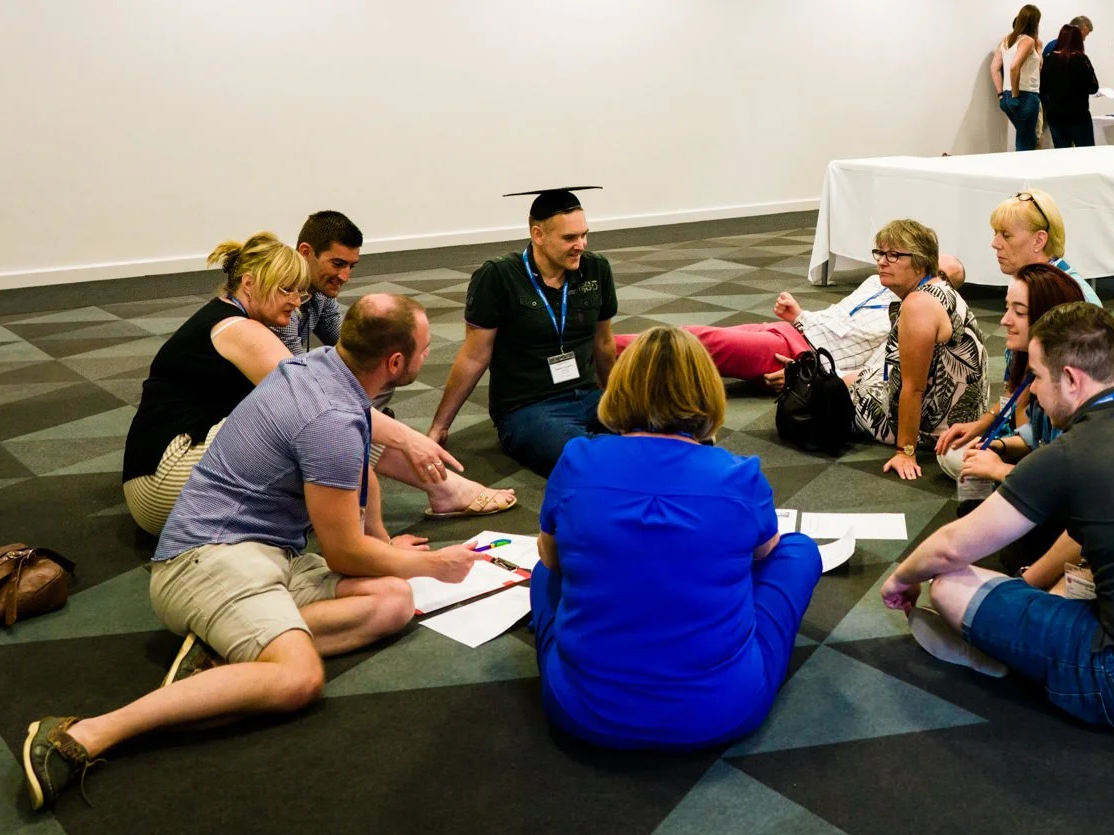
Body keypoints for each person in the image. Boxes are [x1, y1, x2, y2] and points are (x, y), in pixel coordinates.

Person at [21, 296, 489, 809]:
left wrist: (385, 547)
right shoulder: (331, 416)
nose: (428, 355)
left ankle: (228, 650)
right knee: (299, 678)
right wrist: (433, 564)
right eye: (424, 348)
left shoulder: (319, 370)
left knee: (394, 600)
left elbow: (358, 484)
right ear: (396, 363)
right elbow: (343, 555)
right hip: (206, 559)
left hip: (265, 555)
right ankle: (85, 732)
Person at [879, 303, 1114, 732]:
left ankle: (1012, 658)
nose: (1037, 394)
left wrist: (901, 580)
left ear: (1071, 379)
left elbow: (953, 545)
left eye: (1039, 378)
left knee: (948, 583)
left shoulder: (1073, 452)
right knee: (1053, 584)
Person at [530, 327, 824, 750]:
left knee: (545, 572)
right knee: (798, 551)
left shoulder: (577, 459)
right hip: (722, 712)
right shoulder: (738, 474)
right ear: (707, 392)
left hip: (579, 712)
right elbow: (765, 553)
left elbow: (552, 560)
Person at [279, 209, 514, 520]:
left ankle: (435, 483)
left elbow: (353, 348)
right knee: (349, 411)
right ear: (306, 252)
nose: (345, 276)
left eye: (351, 266)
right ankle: (444, 487)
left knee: (380, 373)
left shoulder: (317, 294)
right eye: (337, 264)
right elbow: (301, 388)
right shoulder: (279, 303)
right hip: (237, 426)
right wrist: (396, 432)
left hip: (288, 406)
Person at [120, 233, 309, 536]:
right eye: (286, 289)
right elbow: (317, 404)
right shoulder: (238, 328)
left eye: (300, 292)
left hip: (155, 484)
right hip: (166, 483)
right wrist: (404, 442)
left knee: (316, 424)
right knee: (310, 423)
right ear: (249, 284)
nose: (296, 301)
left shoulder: (223, 316)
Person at [934, 264, 1114, 492]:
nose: (1004, 320)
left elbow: (1074, 483)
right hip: (1072, 465)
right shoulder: (1034, 364)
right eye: (1006, 308)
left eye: (1018, 312)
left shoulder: (1088, 392)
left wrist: (1001, 470)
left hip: (1112, 485)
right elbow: (1039, 436)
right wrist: (1000, 446)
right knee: (957, 456)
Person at [429, 189, 618, 478]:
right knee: (584, 460)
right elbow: (473, 357)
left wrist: (621, 399)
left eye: (584, 235)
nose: (581, 245)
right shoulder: (498, 276)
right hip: (529, 408)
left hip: (589, 395)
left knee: (674, 429)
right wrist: (439, 427)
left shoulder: (596, 269)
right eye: (570, 238)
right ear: (538, 234)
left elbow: (603, 343)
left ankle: (628, 454)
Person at [609, 256, 967, 390]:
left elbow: (878, 370)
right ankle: (601, 358)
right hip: (790, 331)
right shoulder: (878, 281)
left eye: (939, 275)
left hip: (800, 353)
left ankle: (597, 353)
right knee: (695, 343)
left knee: (693, 341)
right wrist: (800, 315)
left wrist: (808, 376)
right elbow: (838, 314)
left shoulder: (916, 316)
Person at [849, 219, 987, 480]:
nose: (881, 262)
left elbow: (913, 388)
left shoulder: (919, 303)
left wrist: (905, 451)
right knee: (848, 376)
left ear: (921, 261)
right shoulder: (940, 288)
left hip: (932, 429)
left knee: (823, 392)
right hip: (958, 417)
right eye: (880, 253)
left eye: (893, 255)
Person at [988, 188, 1101, 307]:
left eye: (1006, 236)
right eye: (996, 233)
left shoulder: (1072, 299)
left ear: (1039, 241)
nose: (995, 243)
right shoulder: (1025, 279)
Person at [990, 4, 1043, 152]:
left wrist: (1001, 95)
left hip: (1006, 96)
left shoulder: (1006, 40)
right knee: (1025, 143)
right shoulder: (1027, 41)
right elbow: (1014, 67)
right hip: (1025, 95)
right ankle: (1023, 172)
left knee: (1028, 138)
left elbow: (994, 68)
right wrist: (1016, 95)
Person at [1038, 23, 1099, 149]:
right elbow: (1093, 87)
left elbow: (1042, 89)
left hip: (1055, 115)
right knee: (1086, 152)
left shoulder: (1049, 60)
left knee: (1062, 153)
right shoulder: (1081, 60)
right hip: (1079, 115)